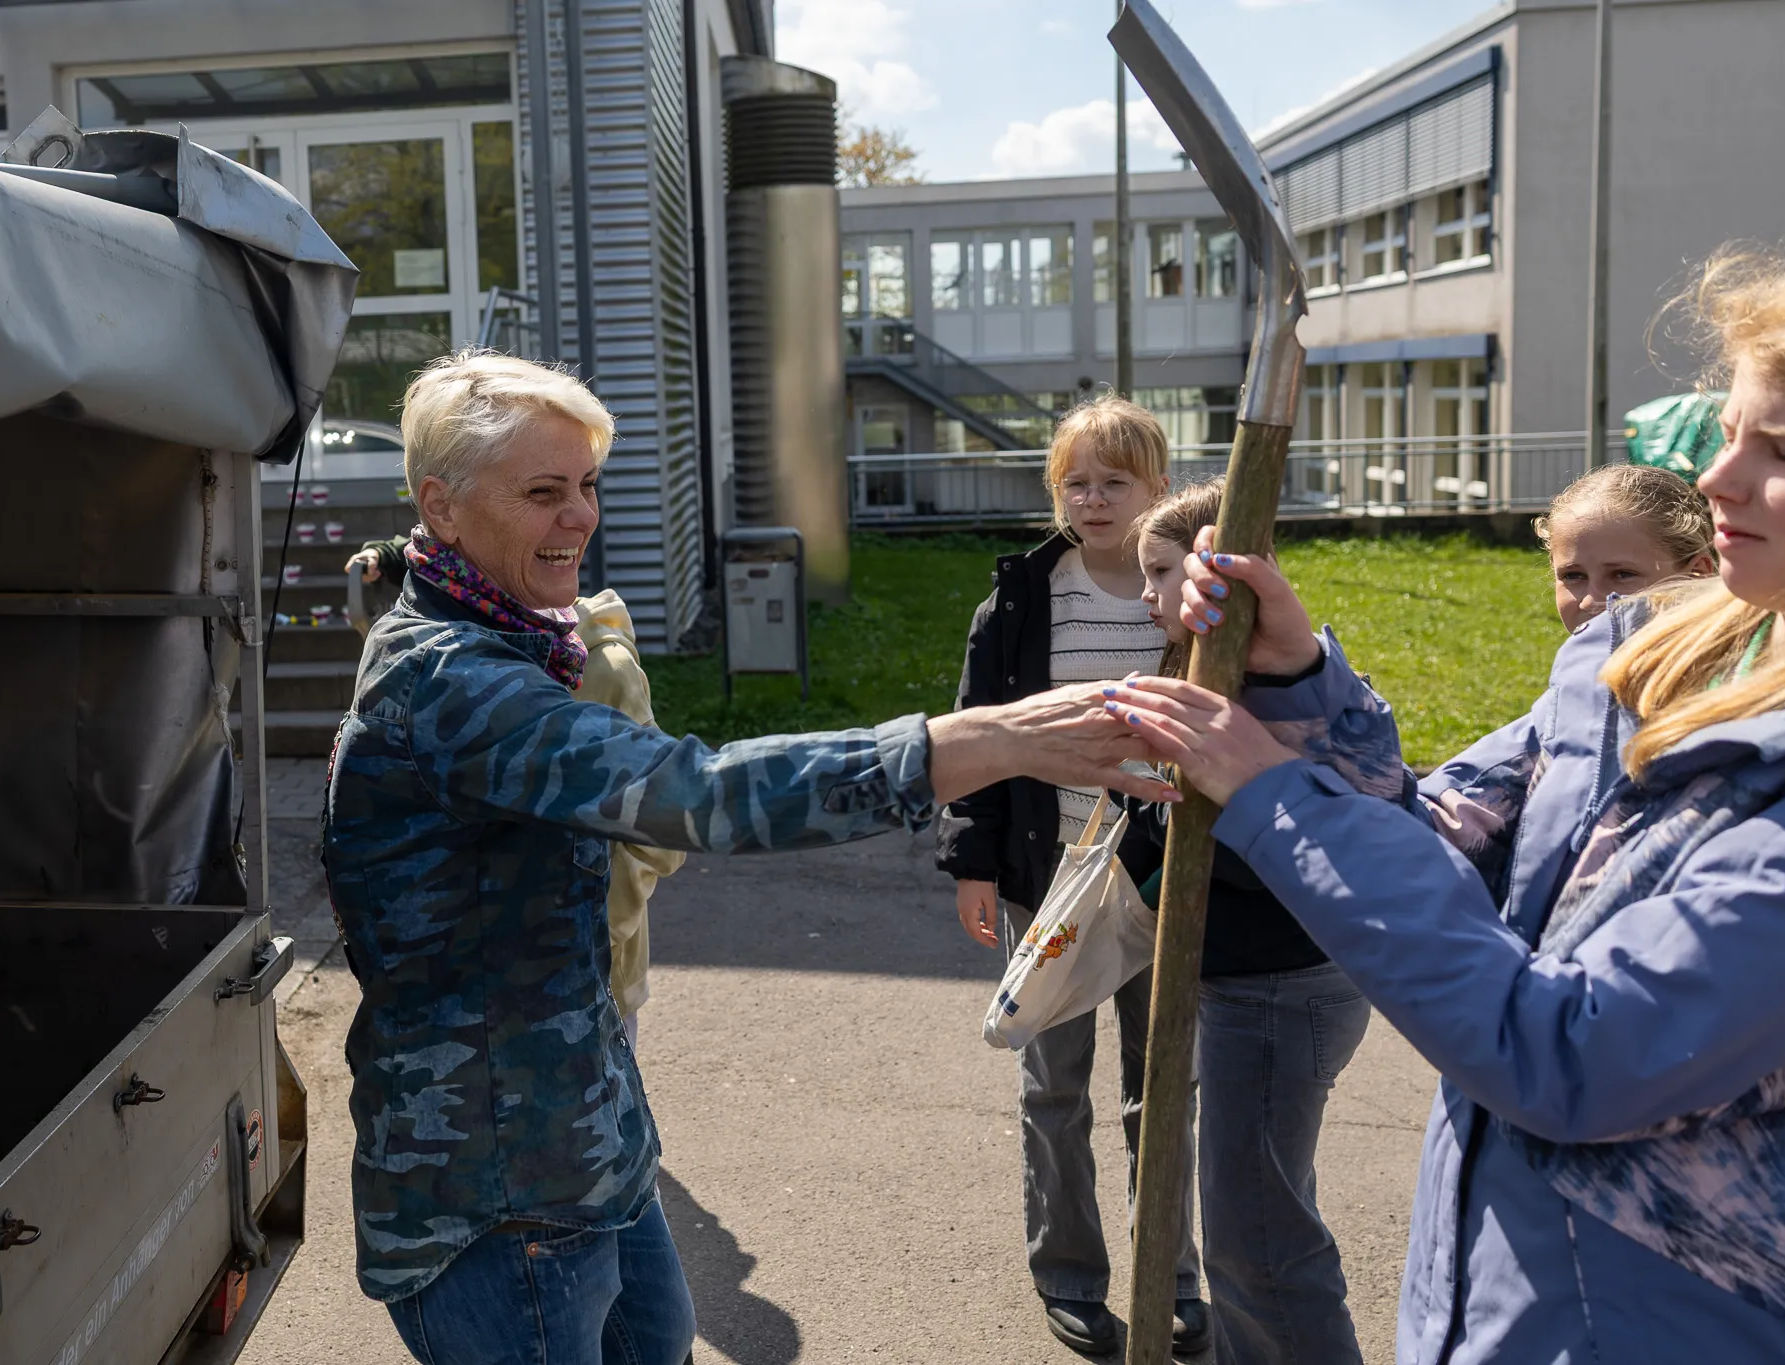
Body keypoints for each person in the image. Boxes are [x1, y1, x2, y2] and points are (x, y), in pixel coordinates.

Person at [1102, 243, 1785, 1363]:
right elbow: (1438, 840)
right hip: (1505, 1295)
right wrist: (1290, 681)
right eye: (1727, 431)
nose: (1716, 480)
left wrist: (1274, 797)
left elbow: (1571, 1054)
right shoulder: (1649, 651)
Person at [323, 348, 1177, 1365]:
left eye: (588, 486)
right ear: (442, 506)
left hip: (588, 1155)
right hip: (496, 1197)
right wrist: (991, 739)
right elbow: (700, 794)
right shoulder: (451, 682)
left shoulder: (509, 637)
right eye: (543, 493)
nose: (580, 518)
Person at [936, 395, 1206, 1356]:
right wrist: (972, 862)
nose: (1092, 499)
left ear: (1158, 488)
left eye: (1114, 481)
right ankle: (1068, 1273)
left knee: (1163, 1080)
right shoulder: (1016, 602)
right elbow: (971, 736)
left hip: (1163, 876)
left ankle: (1169, 1273)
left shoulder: (1186, 595)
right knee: (1053, 1083)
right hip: (1043, 873)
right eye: (1074, 482)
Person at [1118, 479, 1379, 1365]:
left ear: (1215, 576)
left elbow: (1280, 852)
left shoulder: (1267, 689)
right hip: (1245, 989)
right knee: (1242, 1231)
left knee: (1259, 1241)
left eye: (1159, 572)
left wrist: (1167, 805)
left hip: (1279, 990)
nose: (1146, 594)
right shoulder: (1204, 674)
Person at [346, 541, 680, 1045]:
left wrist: (590, 936)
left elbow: (659, 832)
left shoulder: (598, 670)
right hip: (465, 997)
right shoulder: (440, 658)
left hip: (584, 990)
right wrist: (387, 558)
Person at [1536, 462, 1716, 634]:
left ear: (1695, 576)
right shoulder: (1575, 664)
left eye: (1622, 574)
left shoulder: (1723, 664)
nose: (1590, 602)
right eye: (1573, 576)